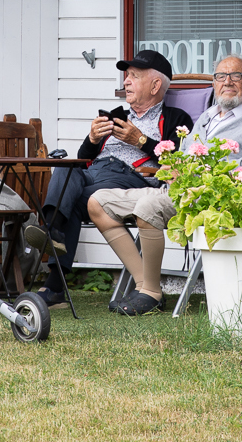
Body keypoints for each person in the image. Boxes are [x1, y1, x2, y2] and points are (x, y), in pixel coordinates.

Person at [39, 51, 193, 311]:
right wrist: (92, 139)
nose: (126, 82)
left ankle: (54, 281)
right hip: (96, 173)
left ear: (156, 86)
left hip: (132, 179)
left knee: (73, 199)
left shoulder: (177, 119)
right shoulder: (118, 114)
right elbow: (84, 159)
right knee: (65, 169)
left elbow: (176, 160)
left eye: (134, 76)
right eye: (126, 76)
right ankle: (52, 228)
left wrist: (140, 140)